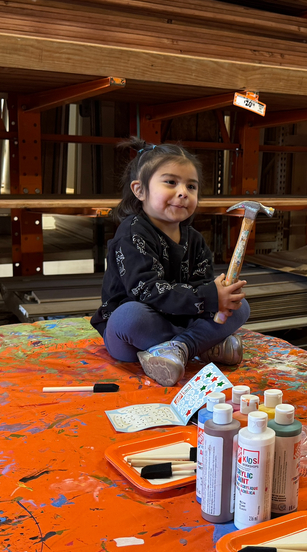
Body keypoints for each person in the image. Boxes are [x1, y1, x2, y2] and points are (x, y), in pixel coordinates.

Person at [91, 138, 249, 387]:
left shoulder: (194, 239)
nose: (183, 192)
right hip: (137, 332)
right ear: (139, 190)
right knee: (128, 316)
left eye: (192, 186)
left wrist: (219, 294)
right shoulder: (132, 233)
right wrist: (208, 297)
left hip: (179, 319)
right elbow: (146, 291)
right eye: (171, 182)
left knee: (240, 305)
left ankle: (181, 348)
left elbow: (203, 284)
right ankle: (202, 345)